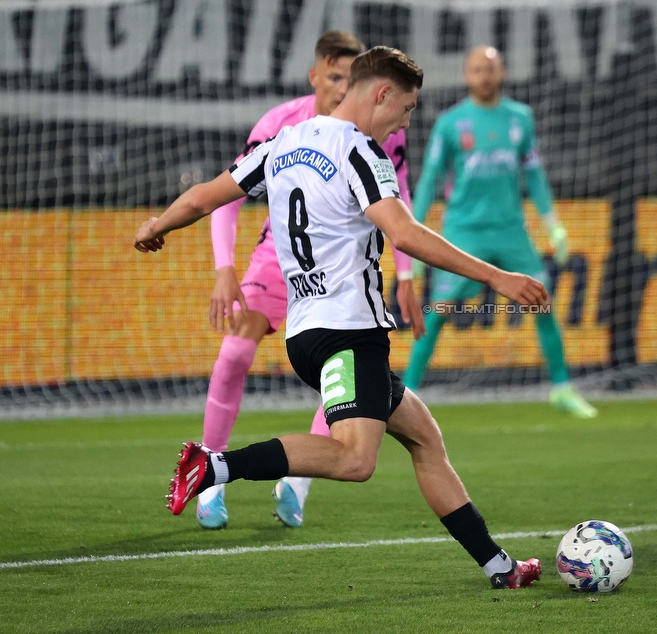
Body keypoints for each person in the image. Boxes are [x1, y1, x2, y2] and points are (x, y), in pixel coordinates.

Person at [134, 47, 545, 589]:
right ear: (381, 93)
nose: (407, 119)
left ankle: (500, 568)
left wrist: (157, 224)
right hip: (349, 330)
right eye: (407, 107)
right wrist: (496, 278)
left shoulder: (282, 144)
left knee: (424, 439)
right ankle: (213, 468)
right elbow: (404, 234)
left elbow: (206, 197)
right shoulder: (362, 153)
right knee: (356, 460)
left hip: (308, 330)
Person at [198, 31, 424, 530]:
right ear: (316, 76)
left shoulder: (380, 132)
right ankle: (208, 477)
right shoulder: (280, 124)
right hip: (275, 260)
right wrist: (223, 269)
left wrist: (406, 273)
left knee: (341, 371)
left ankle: (295, 486)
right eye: (337, 76)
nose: (345, 87)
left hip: (340, 270)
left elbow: (399, 193)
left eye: (352, 77)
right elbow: (226, 195)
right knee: (236, 351)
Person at [403, 46, 597, 419]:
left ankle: (561, 388)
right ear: (466, 75)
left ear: (502, 72)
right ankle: (406, 393)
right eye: (476, 69)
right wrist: (414, 230)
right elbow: (429, 180)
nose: (484, 75)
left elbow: (535, 175)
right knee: (438, 311)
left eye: (490, 68)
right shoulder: (450, 123)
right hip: (462, 232)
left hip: (511, 231)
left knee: (541, 302)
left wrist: (552, 224)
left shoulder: (520, 118)